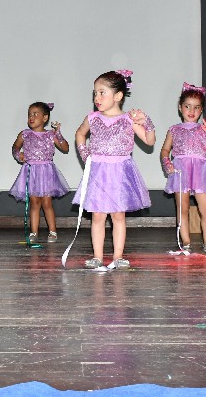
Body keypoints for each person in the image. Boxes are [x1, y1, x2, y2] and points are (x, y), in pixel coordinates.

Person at [73, 70, 155, 271]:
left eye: (102, 93)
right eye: (95, 93)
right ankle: (97, 256)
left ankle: (118, 256)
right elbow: (80, 134)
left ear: (118, 96)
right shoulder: (92, 118)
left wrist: (146, 122)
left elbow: (149, 140)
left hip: (120, 173)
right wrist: (86, 155)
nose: (97, 98)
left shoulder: (128, 119)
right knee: (98, 216)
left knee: (118, 216)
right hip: (99, 173)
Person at [160, 82, 206, 253]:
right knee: (182, 209)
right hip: (180, 171)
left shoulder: (204, 128)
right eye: (187, 106)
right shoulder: (174, 129)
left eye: (197, 107)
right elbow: (165, 150)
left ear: (201, 109)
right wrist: (167, 163)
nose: (192, 111)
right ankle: (186, 242)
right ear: (180, 107)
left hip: (201, 172)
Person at [9, 101, 70, 243]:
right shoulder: (24, 134)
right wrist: (18, 155)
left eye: (35, 114)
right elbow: (15, 147)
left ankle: (53, 231)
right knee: (34, 202)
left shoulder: (50, 135)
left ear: (45, 118)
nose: (31, 117)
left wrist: (58, 134)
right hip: (31, 171)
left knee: (47, 203)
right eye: (29, 114)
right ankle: (34, 232)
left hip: (46, 172)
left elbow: (65, 148)